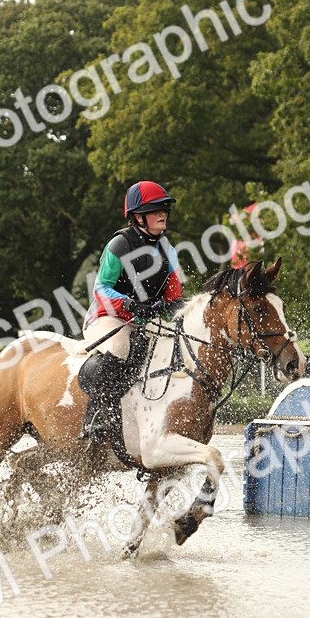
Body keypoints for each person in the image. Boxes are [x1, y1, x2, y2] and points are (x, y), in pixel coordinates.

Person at [79, 181, 185, 441]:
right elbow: (101, 289)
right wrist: (127, 304)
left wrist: (182, 309)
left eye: (164, 209)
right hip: (107, 318)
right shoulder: (120, 244)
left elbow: (174, 295)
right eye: (155, 210)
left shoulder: (167, 249)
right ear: (138, 216)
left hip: (141, 321)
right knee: (121, 347)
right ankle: (97, 415)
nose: (163, 214)